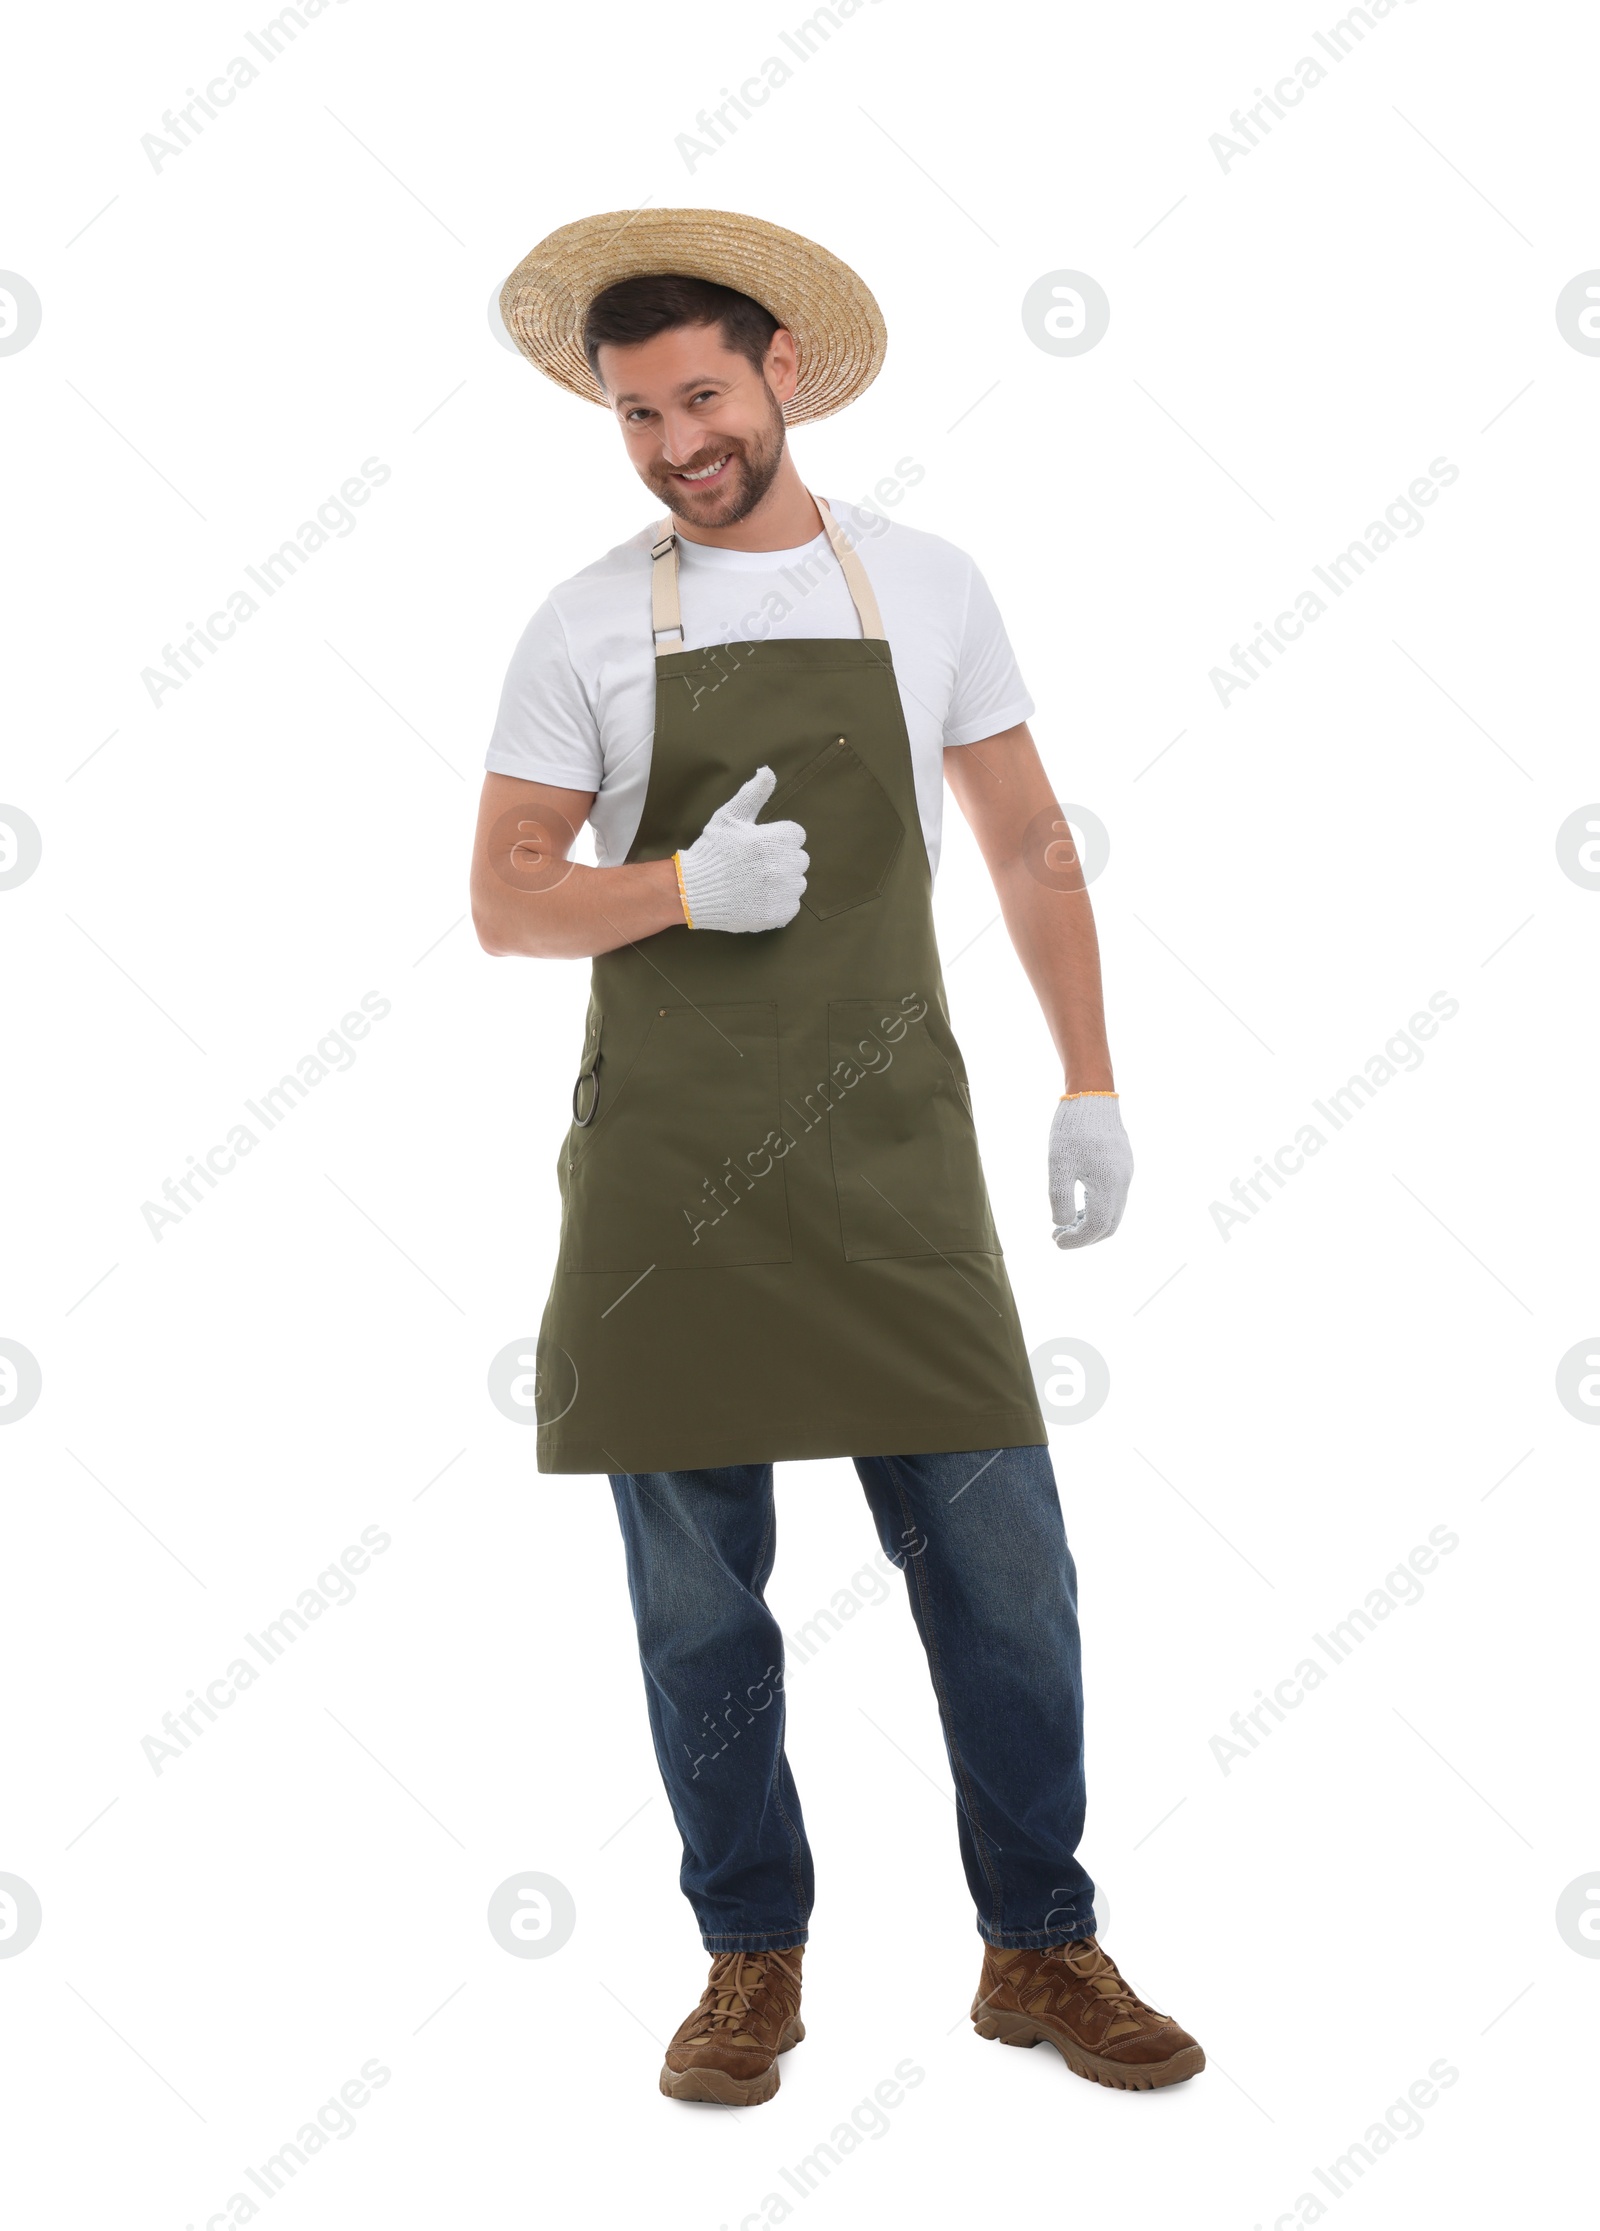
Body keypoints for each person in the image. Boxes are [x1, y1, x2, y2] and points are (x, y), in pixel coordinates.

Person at [472, 208, 1203, 2105]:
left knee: (1008, 1574)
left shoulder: (931, 585)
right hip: (668, 1184)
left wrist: (1094, 1080)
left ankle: (1042, 1944)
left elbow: (1037, 844)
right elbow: (504, 901)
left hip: (894, 1163)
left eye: (698, 396)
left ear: (781, 368)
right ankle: (748, 1961)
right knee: (703, 1602)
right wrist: (677, 887)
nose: (671, 443)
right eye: (634, 415)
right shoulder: (585, 623)